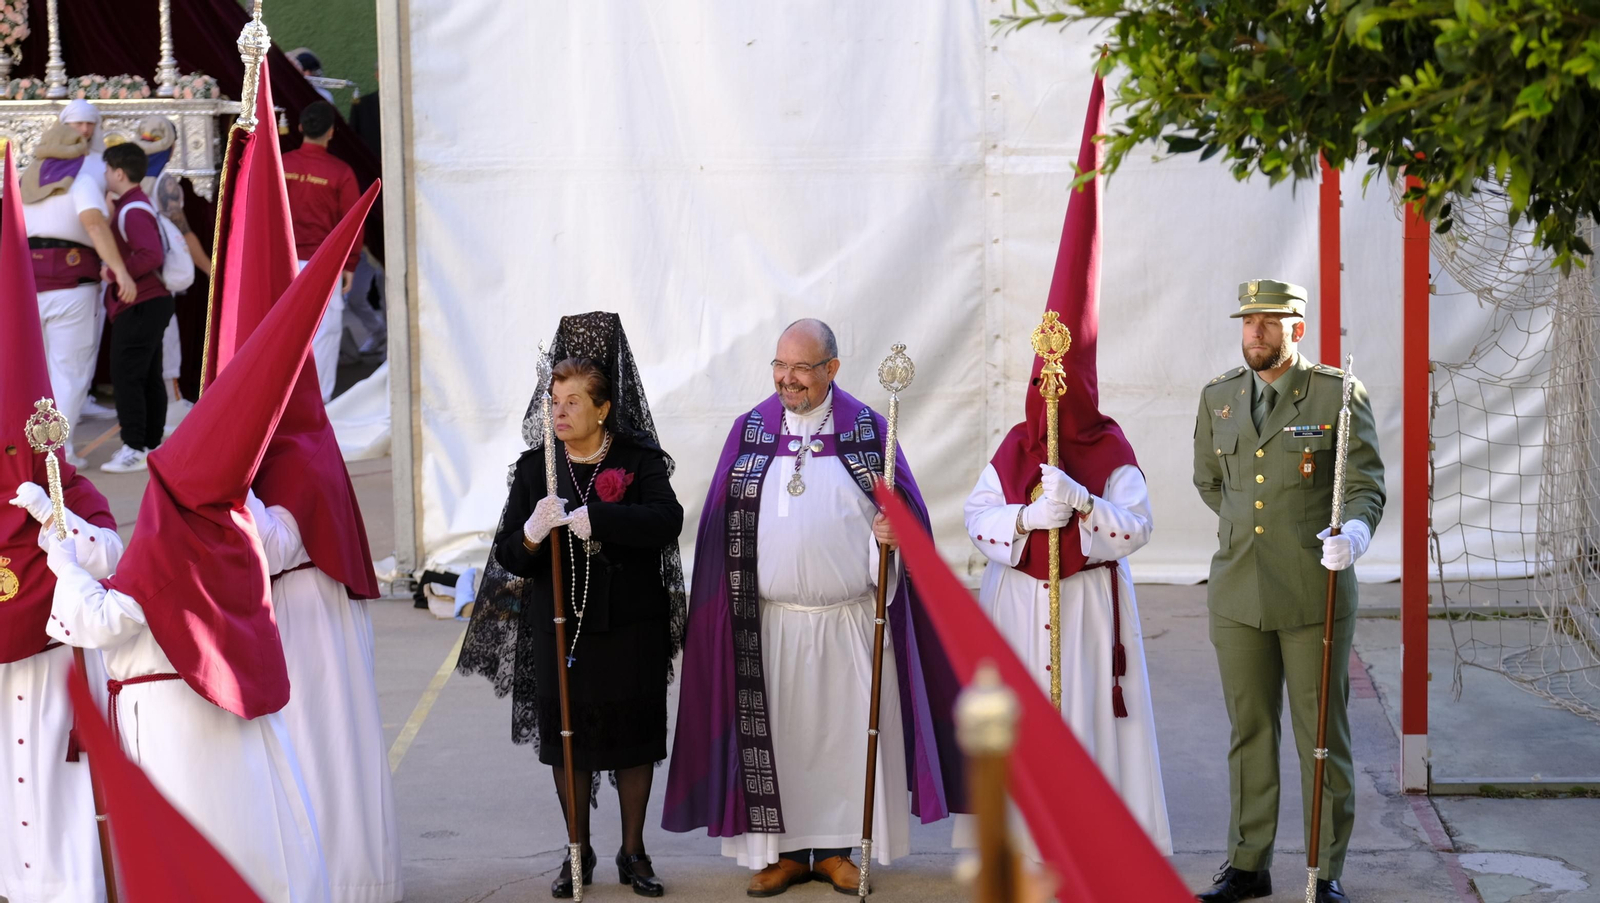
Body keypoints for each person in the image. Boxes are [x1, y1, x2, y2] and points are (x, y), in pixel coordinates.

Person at [43, 198, 368, 903]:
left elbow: (101, 619)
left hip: (171, 729)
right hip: (225, 723)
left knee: (190, 854)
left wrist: (60, 560)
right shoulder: (225, 535)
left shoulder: (176, 549)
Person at [662, 319, 963, 897]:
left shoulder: (868, 431)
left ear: (832, 368)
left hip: (847, 619)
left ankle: (836, 852)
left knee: (844, 743)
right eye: (779, 365)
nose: (787, 379)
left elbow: (910, 522)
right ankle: (786, 854)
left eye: (801, 367)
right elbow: (721, 523)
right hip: (770, 625)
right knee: (778, 744)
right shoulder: (751, 430)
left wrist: (893, 533)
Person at [458, 312, 685, 898]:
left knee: (635, 738)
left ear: (603, 407)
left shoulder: (638, 460)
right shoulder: (538, 468)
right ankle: (576, 850)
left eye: (572, 402)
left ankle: (632, 851)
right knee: (569, 738)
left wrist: (602, 517)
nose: (557, 413)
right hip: (559, 626)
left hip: (630, 623)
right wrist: (532, 533)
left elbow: (667, 520)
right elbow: (509, 553)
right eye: (554, 401)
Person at [1191, 280, 1386, 903]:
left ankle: (1324, 872)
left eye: (1270, 322)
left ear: (1296, 330)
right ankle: (1248, 864)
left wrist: (1352, 532)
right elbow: (1209, 482)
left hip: (1311, 590)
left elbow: (1364, 484)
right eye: (1249, 321)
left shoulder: (1336, 395)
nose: (1256, 332)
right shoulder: (1219, 397)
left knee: (1320, 732)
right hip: (1238, 591)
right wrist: (1250, 533)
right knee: (1249, 731)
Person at [0, 141, 124, 903]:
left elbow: (111, 555)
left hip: (47, 664)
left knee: (51, 781)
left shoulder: (61, 479)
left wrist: (59, 525)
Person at [20, 105, 137, 466]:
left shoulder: (27, 175)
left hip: (26, 282)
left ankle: (24, 450)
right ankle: (58, 451)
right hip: (73, 281)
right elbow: (94, 224)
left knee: (27, 368)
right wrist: (120, 269)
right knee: (68, 371)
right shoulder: (87, 175)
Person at [96, 143, 172, 474]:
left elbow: (151, 255)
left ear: (118, 173)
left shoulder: (134, 210)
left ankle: (134, 447)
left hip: (140, 302)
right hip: (149, 303)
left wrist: (113, 272)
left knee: (127, 377)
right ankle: (151, 444)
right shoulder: (133, 204)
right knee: (147, 376)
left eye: (106, 170)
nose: (104, 176)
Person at [283, 101, 362, 402]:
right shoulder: (340, 172)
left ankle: (285, 403)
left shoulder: (282, 165)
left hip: (284, 263)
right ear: (331, 132)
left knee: (286, 334)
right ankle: (321, 404)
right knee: (325, 335)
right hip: (323, 266)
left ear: (301, 128)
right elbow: (352, 222)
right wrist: (350, 264)